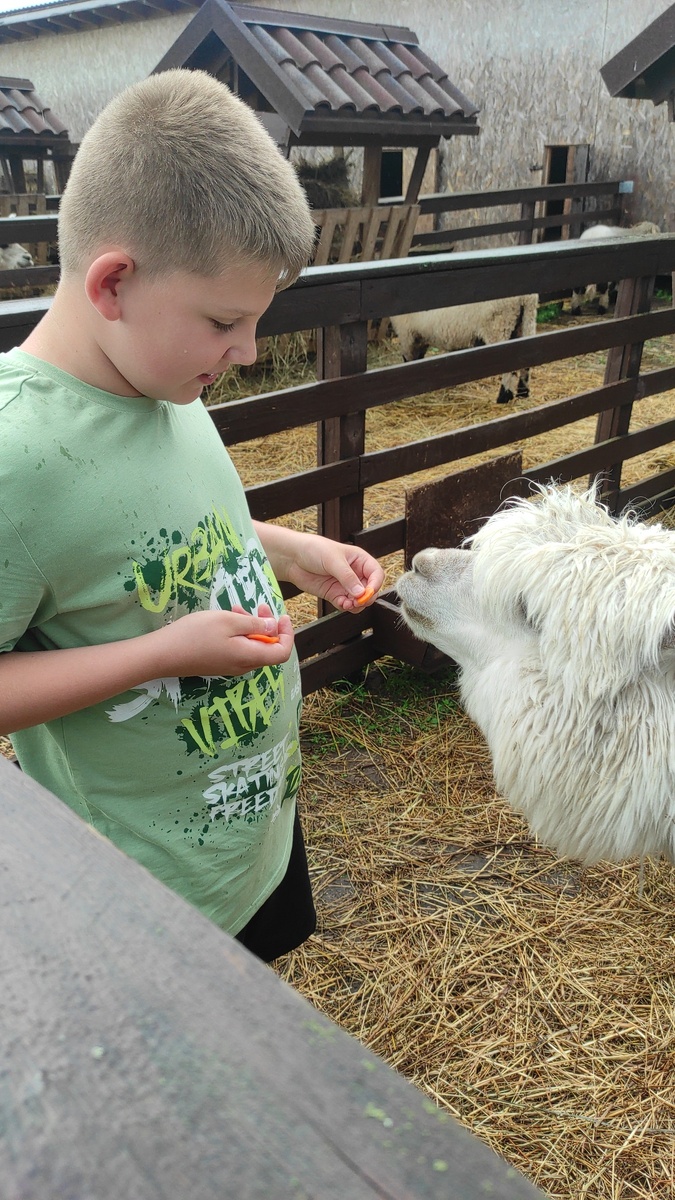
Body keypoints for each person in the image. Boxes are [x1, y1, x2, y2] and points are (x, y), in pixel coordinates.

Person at [0, 69, 383, 962]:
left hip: (250, 833)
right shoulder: (17, 457)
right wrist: (163, 654)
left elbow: (148, 536)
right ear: (114, 284)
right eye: (222, 322)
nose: (245, 351)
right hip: (145, 891)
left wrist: (282, 549)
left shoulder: (162, 379)